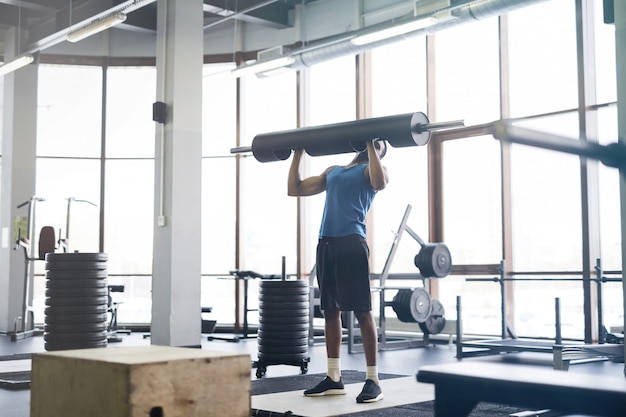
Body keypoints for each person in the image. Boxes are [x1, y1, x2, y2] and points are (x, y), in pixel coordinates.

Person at [287, 138, 388, 404]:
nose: (371, 145)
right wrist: (297, 152)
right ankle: (334, 377)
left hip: (351, 243)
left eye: (378, 144)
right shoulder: (333, 171)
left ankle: (373, 380)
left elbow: (379, 183)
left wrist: (372, 146)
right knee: (330, 310)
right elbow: (294, 189)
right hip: (326, 244)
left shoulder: (372, 171)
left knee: (362, 311)